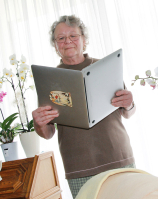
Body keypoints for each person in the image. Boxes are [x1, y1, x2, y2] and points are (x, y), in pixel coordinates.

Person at [32, 15, 136, 198]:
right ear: (56, 46)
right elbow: (47, 133)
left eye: (73, 35)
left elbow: (128, 111)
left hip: (118, 157)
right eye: (61, 38)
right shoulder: (49, 80)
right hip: (79, 168)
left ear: (84, 40)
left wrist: (130, 103)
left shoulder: (107, 67)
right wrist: (39, 124)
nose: (68, 41)